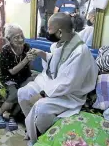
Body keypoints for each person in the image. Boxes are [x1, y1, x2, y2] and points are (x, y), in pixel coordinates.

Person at [17, 13, 98, 145]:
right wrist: (42, 54)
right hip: (54, 82)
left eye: (49, 29)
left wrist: (42, 94)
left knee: (41, 107)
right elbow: (56, 63)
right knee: (23, 93)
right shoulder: (62, 42)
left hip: (71, 93)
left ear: (60, 32)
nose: (47, 32)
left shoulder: (79, 52)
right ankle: (32, 128)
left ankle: (42, 136)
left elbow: (67, 82)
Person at [0, 24, 36, 131]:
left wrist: (31, 60)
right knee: (14, 93)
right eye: (16, 37)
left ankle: (12, 116)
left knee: (26, 91)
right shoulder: (5, 51)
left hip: (24, 76)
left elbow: (29, 68)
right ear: (8, 39)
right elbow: (12, 72)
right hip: (9, 78)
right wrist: (26, 60)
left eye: (21, 36)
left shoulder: (26, 47)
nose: (20, 39)